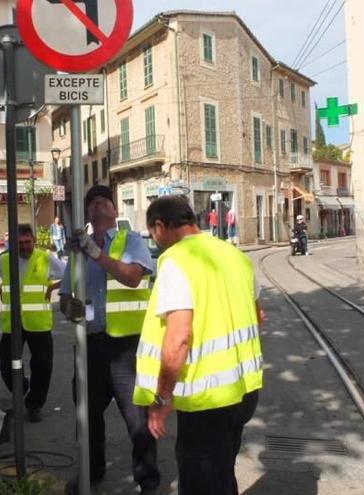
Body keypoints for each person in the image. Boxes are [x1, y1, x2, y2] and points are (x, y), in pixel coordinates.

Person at [134, 195, 264, 495]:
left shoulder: (176, 261)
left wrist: (161, 401)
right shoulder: (235, 256)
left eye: (154, 234)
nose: (155, 241)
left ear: (160, 226)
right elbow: (258, 316)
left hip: (208, 399)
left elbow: (178, 337)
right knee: (222, 474)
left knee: (201, 481)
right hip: (243, 391)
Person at [60, 185, 160, 494]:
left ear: (115, 211)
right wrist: (68, 308)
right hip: (91, 345)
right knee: (86, 416)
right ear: (88, 213)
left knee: (138, 421)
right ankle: (93, 471)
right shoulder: (78, 252)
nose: (99, 205)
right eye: (93, 203)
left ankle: (148, 481)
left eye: (105, 201)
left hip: (126, 348)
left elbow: (132, 277)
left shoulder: (130, 240)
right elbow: (65, 295)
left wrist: (97, 254)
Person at [0, 224, 65, 422]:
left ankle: (34, 404)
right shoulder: (5, 260)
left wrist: (53, 287)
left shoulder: (45, 258)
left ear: (34, 241)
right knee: (6, 367)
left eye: (27, 242)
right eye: (20, 243)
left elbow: (71, 274)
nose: (24, 246)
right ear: (13, 244)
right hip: (12, 324)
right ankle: (23, 388)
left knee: (42, 366)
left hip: (39, 323)